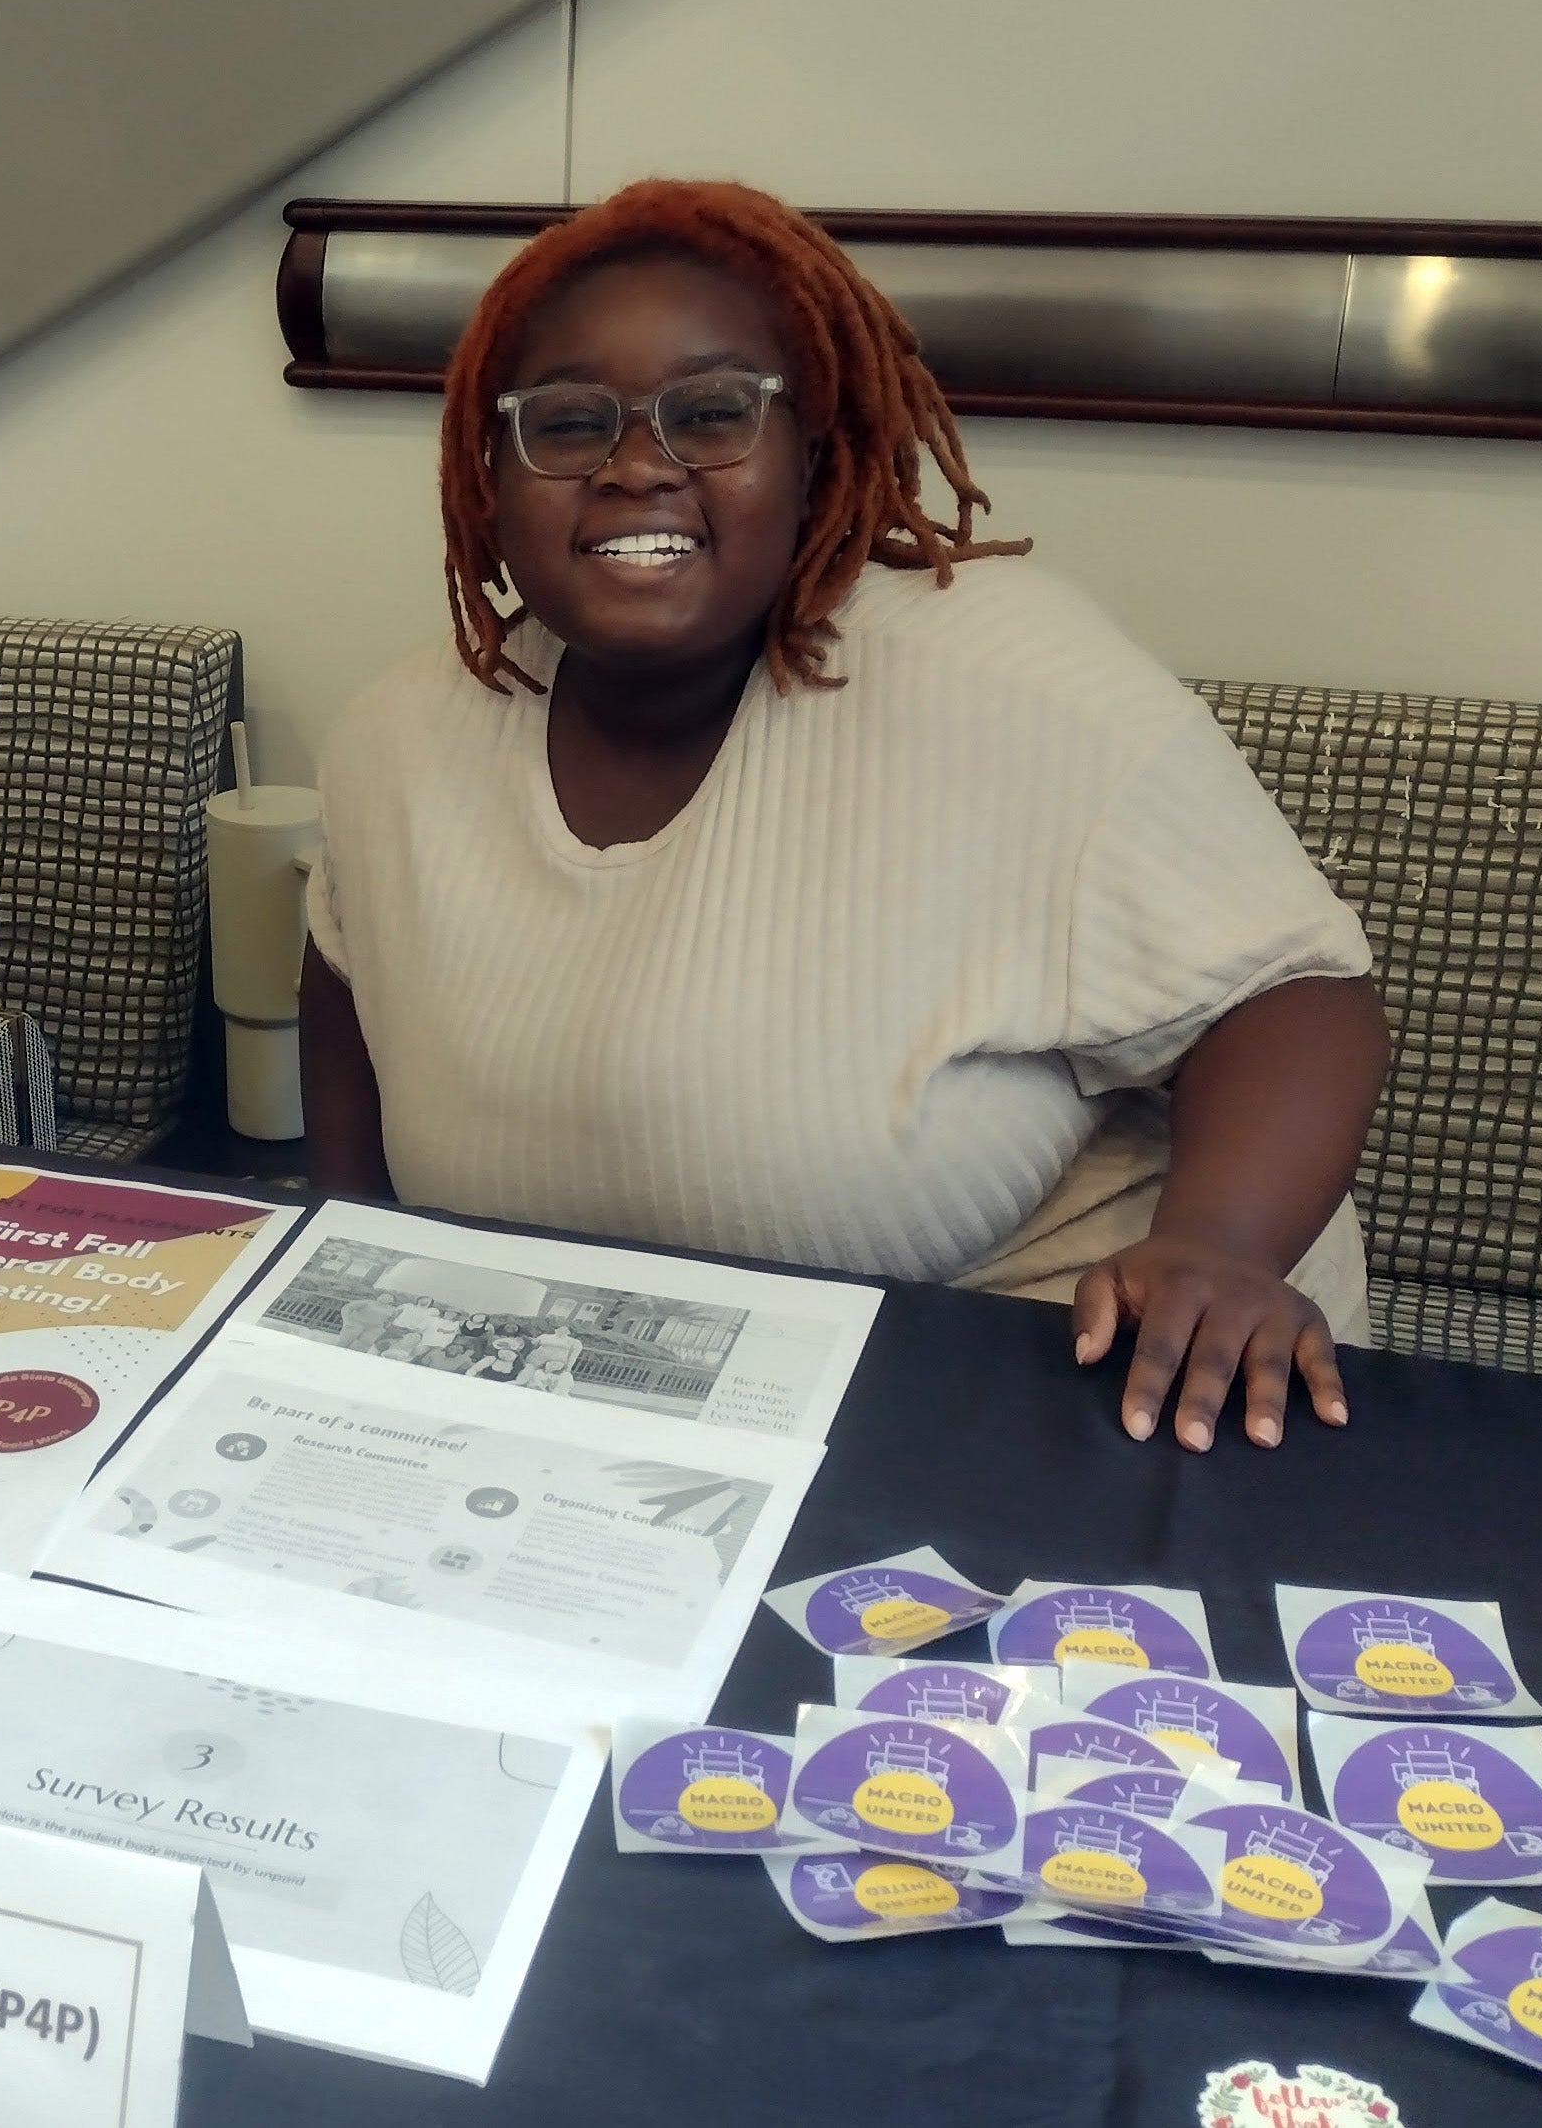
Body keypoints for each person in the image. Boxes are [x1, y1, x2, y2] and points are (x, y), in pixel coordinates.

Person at [301, 179, 1387, 1458]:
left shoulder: (1010, 682)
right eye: (568, 423)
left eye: (710, 415)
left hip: (1055, 1382)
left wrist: (1220, 1245)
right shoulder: (401, 732)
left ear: (813, 449)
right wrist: (341, 1282)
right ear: (487, 472)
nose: (637, 465)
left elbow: (1294, 989)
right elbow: (349, 968)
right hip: (593, 1406)